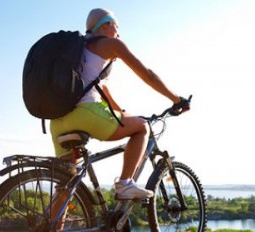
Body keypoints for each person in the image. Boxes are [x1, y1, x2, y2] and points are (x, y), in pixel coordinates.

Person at [51, 8, 189, 200]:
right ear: (106, 25)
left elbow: (102, 90)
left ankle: (51, 229)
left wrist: (122, 112)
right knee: (142, 127)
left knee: (66, 186)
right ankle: (125, 184)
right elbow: (147, 74)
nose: (118, 32)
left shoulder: (76, 50)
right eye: (117, 26)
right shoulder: (110, 44)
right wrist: (176, 99)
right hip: (85, 114)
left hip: (57, 120)